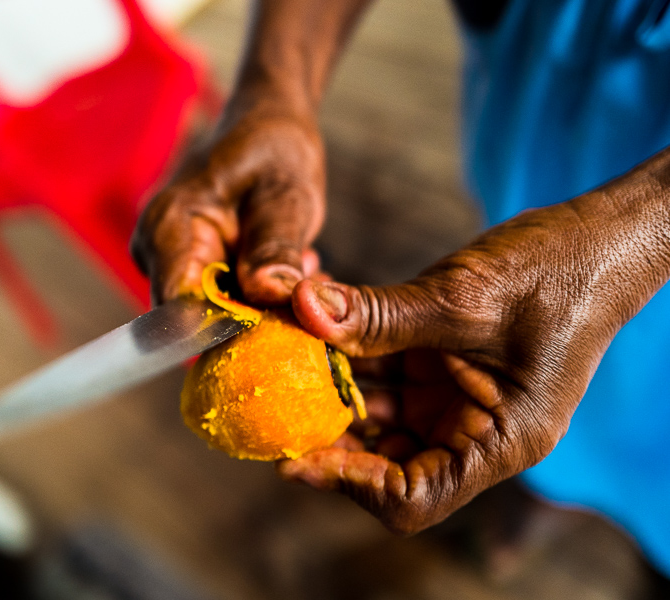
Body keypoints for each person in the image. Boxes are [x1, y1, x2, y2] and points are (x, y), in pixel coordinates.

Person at [130, 0, 670, 579]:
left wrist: (643, 231)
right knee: (546, 408)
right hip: (551, 76)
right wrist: (274, 88)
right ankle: (548, 492)